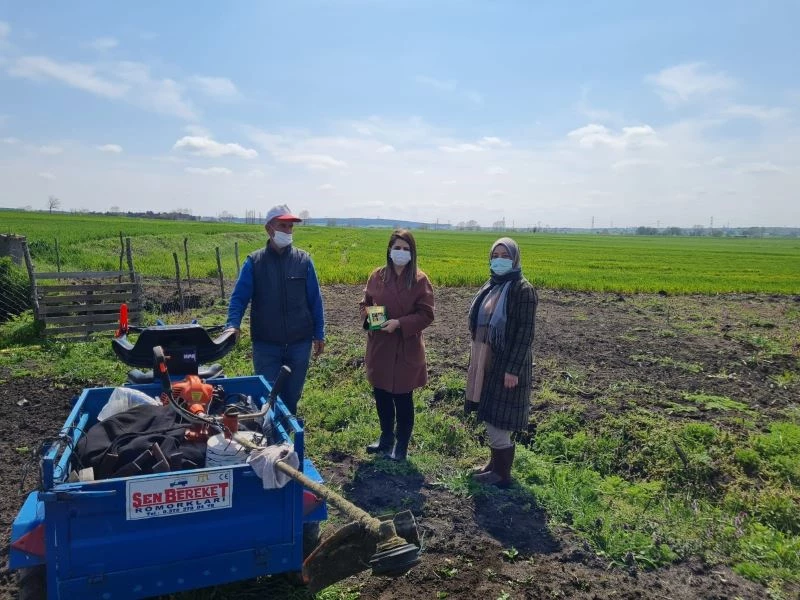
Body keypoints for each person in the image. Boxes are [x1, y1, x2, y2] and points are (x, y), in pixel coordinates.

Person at [225, 204, 325, 414]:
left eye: (290, 227)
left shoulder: (303, 261)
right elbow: (239, 299)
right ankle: (271, 437)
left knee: (291, 396)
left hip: (299, 343)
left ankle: (286, 441)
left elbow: (315, 300)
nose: (288, 231)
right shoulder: (255, 262)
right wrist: (232, 325)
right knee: (268, 395)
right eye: (283, 225)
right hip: (266, 344)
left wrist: (319, 334)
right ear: (269, 229)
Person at [466, 237, 538, 488]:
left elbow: (524, 334)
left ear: (515, 258)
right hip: (487, 359)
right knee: (489, 412)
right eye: (495, 255)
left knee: (500, 417)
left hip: (506, 363)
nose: (499, 260)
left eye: (505, 255)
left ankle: (502, 475)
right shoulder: (493, 285)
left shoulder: (522, 289)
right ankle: (494, 465)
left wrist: (512, 369)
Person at [360, 229, 434, 461]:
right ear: (389, 250)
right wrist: (375, 320)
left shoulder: (420, 281)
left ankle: (401, 446)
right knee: (381, 394)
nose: (401, 252)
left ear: (412, 253)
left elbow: (426, 314)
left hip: (406, 348)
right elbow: (365, 303)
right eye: (397, 248)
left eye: (405, 248)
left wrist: (399, 323)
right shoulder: (377, 276)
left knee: (403, 398)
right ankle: (385, 438)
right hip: (380, 346)